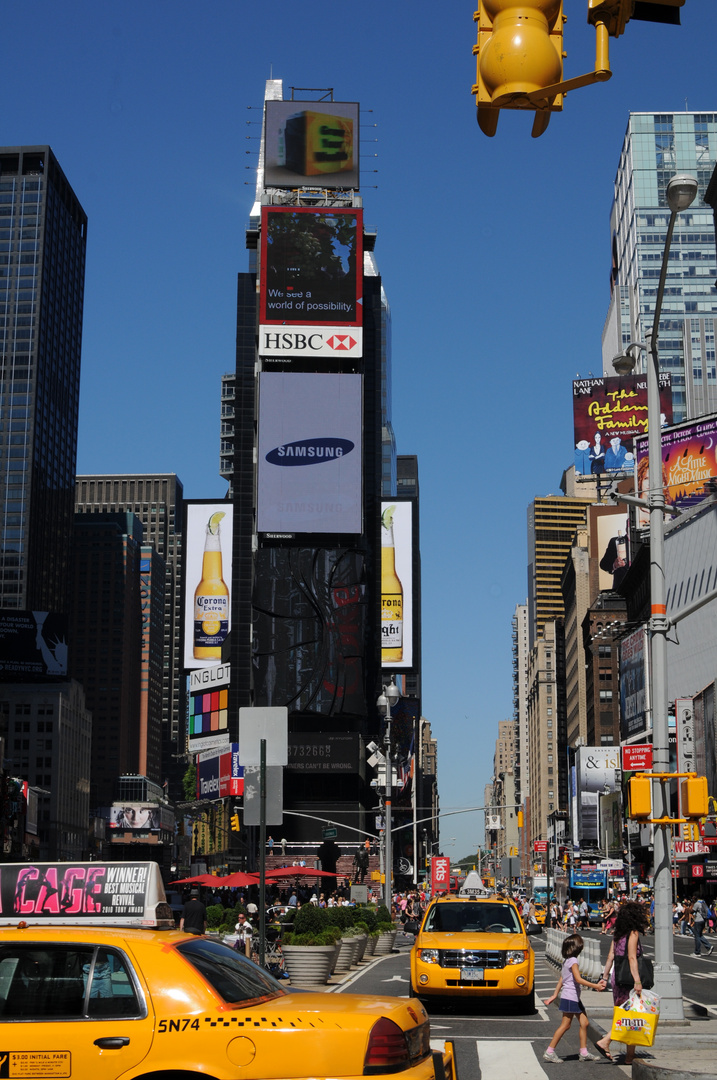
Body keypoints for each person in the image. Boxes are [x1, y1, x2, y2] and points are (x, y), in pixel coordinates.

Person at [596, 900, 650, 1065]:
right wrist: (637, 981)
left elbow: (610, 956)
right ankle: (606, 1040)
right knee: (630, 1015)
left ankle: (629, 1056)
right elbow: (632, 957)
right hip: (629, 978)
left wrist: (605, 978)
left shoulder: (617, 933)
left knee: (628, 1014)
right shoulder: (633, 933)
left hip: (617, 977)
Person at [543, 934, 606, 1062]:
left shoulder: (567, 961)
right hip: (571, 997)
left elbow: (562, 979)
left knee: (585, 1023)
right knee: (565, 1025)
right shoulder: (573, 961)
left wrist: (555, 995)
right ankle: (549, 1052)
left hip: (573, 997)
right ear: (576, 948)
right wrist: (596, 986)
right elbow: (578, 979)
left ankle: (583, 1052)